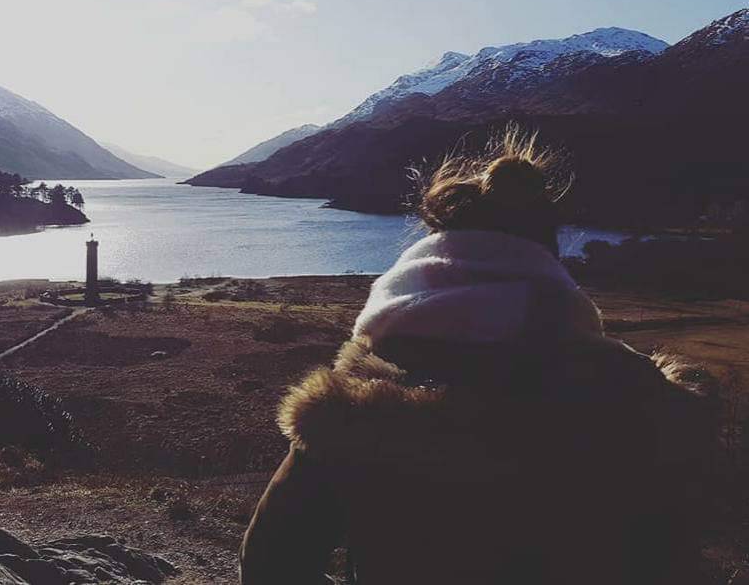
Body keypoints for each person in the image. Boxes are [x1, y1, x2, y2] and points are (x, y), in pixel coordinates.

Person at [239, 128, 715, 584]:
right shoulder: (637, 397)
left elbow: (274, 560)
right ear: (547, 257)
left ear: (429, 259)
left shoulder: (351, 407)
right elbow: (672, 560)